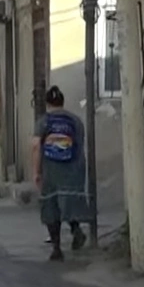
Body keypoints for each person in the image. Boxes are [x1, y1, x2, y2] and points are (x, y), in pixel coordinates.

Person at [32, 85, 89, 261]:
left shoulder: (44, 122)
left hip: (51, 171)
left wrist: (36, 172)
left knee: (50, 207)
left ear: (47, 104)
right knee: (70, 201)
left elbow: (35, 147)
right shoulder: (76, 121)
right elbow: (80, 145)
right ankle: (76, 230)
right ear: (62, 102)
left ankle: (57, 248)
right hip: (73, 169)